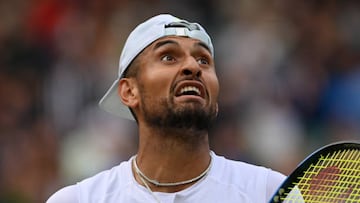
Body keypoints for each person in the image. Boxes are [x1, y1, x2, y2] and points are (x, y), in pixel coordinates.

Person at [46, 14, 286, 203]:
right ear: (129, 92)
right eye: (169, 57)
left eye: (204, 60)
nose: (193, 66)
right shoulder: (79, 200)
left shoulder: (271, 192)